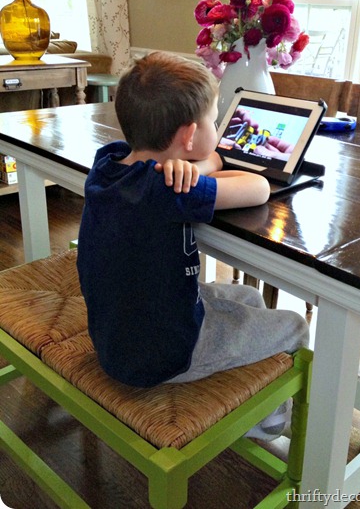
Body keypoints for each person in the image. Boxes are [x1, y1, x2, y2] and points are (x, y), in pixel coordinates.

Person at [76, 51, 309, 439]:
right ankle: (268, 424)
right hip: (162, 356)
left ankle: (252, 400)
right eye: (214, 120)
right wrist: (206, 165)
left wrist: (196, 165)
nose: (217, 126)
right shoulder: (167, 189)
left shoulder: (109, 163)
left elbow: (201, 165)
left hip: (117, 335)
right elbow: (259, 187)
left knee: (249, 298)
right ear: (188, 136)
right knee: (294, 325)